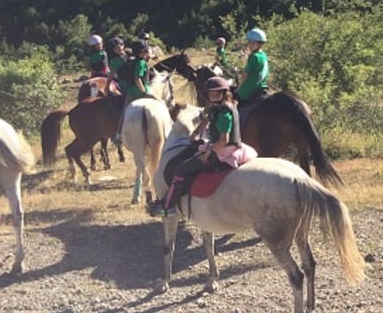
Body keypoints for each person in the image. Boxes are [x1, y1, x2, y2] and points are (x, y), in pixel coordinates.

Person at [149, 76, 244, 217]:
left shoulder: (224, 114)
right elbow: (207, 118)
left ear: (224, 93)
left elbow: (224, 140)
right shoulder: (219, 107)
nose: (214, 96)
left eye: (217, 93)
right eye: (211, 93)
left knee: (181, 169)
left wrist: (209, 152)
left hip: (222, 151)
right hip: (223, 147)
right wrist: (196, 132)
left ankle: (168, 206)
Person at [113, 40, 152, 145]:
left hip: (131, 91)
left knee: (124, 112)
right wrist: (144, 92)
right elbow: (137, 79)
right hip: (141, 90)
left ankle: (118, 134)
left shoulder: (132, 61)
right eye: (145, 51)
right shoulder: (141, 62)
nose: (147, 52)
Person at [235, 28, 269, 108]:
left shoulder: (254, 57)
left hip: (249, 89)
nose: (250, 45)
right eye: (249, 42)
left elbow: (245, 75)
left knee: (233, 101)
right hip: (261, 87)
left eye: (253, 43)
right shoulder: (263, 55)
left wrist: (239, 87)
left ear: (260, 44)